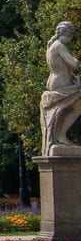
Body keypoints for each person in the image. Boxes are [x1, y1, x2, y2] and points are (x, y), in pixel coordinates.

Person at [41, 21, 81, 155]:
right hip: (62, 83)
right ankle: (60, 136)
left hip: (56, 81)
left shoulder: (52, 45)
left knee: (63, 110)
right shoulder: (59, 46)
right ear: (69, 34)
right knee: (78, 108)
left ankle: (59, 136)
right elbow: (73, 63)